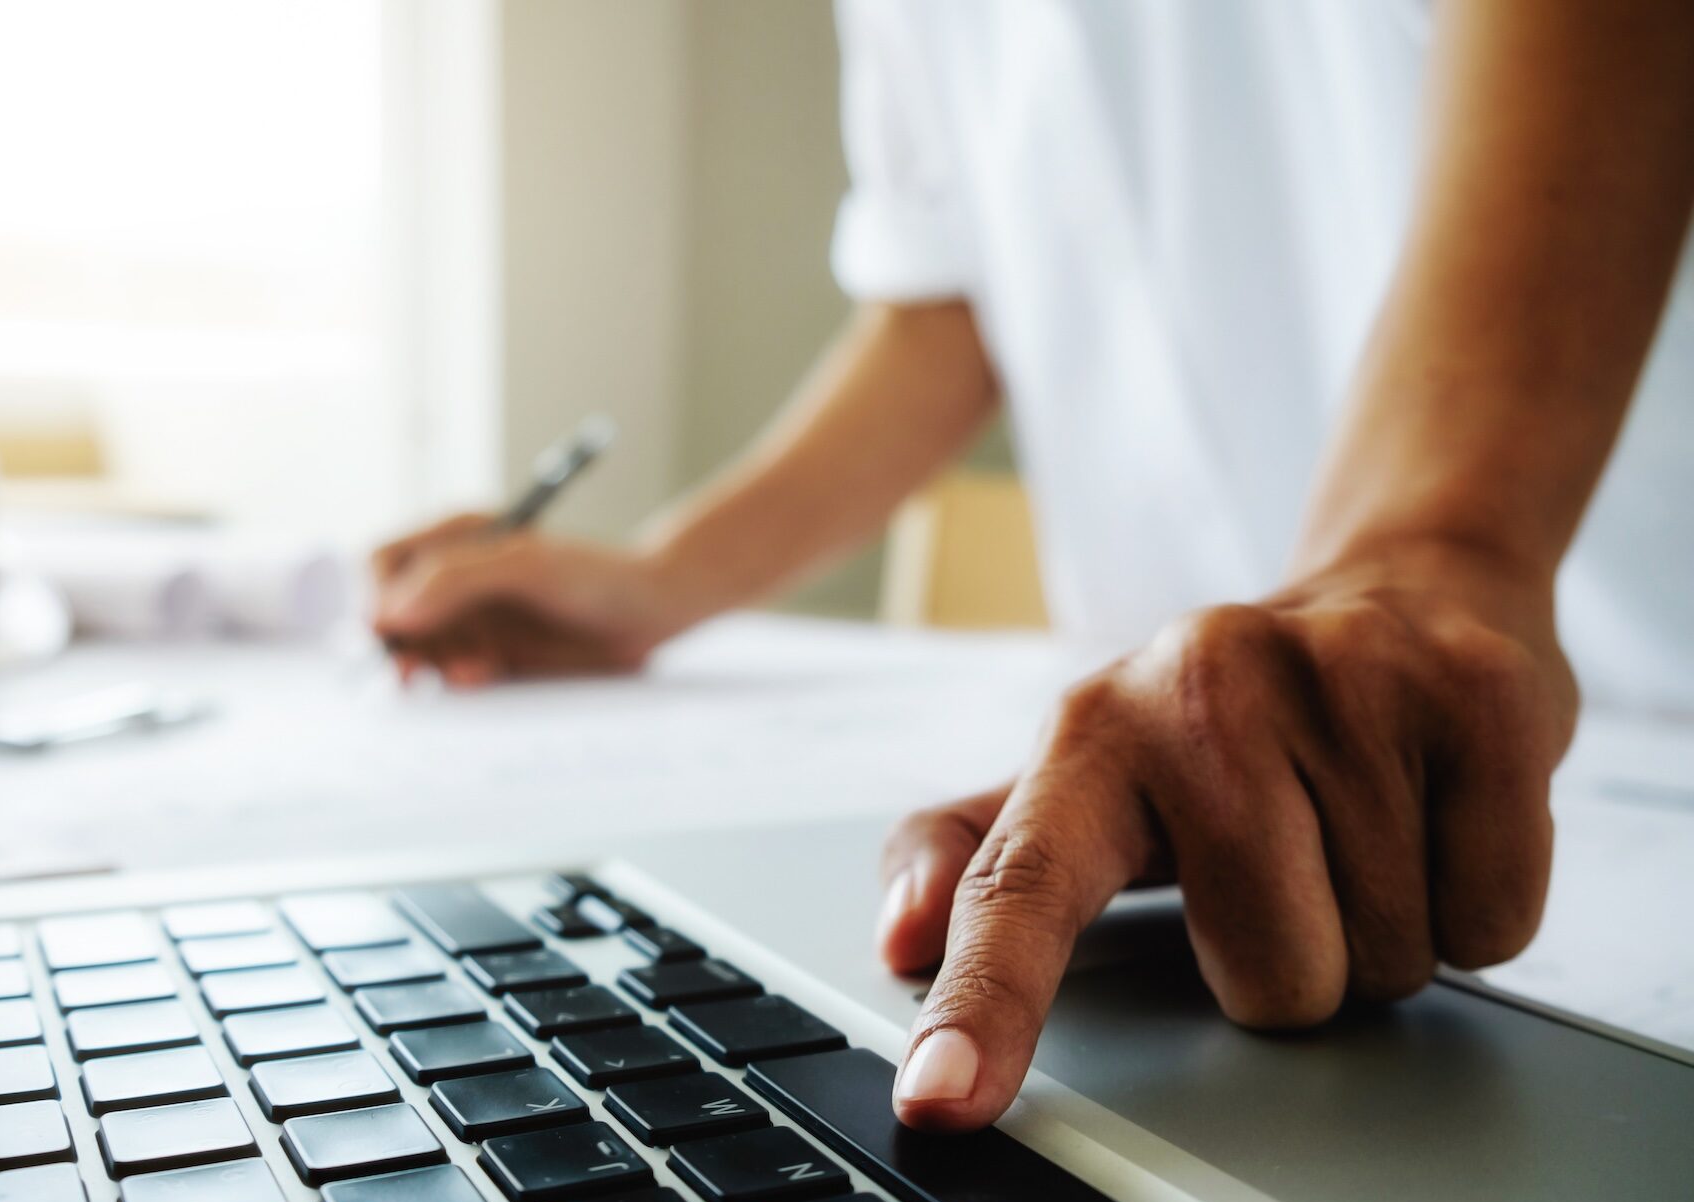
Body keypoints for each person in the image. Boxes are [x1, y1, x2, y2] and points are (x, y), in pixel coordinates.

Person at [373, 1, 1694, 1133]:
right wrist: (658, 582)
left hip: (1601, 733)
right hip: (1165, 775)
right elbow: (945, 292)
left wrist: (1429, 550)